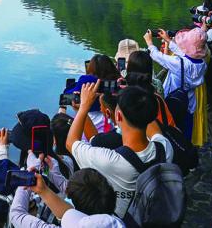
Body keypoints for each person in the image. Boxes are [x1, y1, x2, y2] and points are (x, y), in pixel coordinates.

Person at [66, 82, 173, 217]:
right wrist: (135, 96)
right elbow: (150, 121)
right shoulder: (164, 147)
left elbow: (71, 143)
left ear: (118, 116)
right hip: (155, 213)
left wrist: (83, 107)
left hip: (127, 222)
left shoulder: (111, 161)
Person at [144, 28, 208, 139]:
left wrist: (149, 43)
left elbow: (157, 56)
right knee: (186, 133)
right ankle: (186, 146)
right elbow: (185, 55)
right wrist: (168, 40)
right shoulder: (202, 64)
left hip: (174, 101)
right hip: (189, 103)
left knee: (173, 131)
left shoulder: (178, 63)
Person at [10, 168, 124, 228]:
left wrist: (24, 181)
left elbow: (16, 214)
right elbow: (68, 214)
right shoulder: (114, 222)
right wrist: (43, 188)